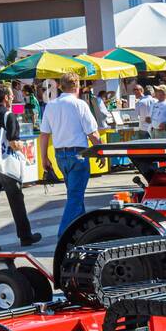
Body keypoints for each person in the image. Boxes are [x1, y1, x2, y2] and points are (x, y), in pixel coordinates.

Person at [0, 86, 40, 252]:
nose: (13, 98)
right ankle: (25, 236)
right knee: (16, 199)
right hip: (5, 162)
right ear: (5, 97)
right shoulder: (8, 115)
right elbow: (13, 142)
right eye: (12, 96)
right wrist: (21, 146)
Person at [40, 74, 103, 236]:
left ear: (60, 86)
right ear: (78, 87)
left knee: (75, 194)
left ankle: (83, 232)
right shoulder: (79, 104)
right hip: (78, 154)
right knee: (75, 197)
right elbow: (93, 134)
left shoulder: (50, 105)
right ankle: (63, 235)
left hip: (60, 155)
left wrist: (44, 158)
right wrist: (101, 151)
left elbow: (44, 134)